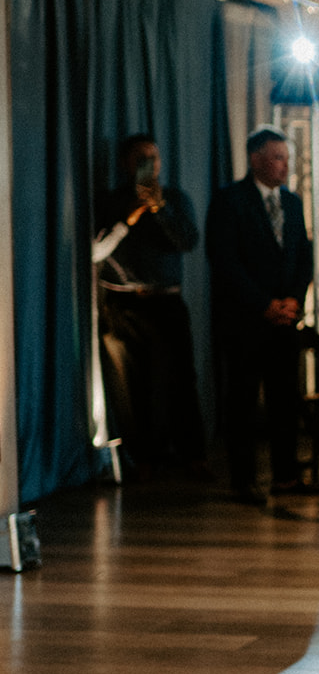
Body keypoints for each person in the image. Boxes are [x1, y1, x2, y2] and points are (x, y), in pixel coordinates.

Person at [205, 126, 314, 504]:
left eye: (286, 157)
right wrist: (264, 304)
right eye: (277, 157)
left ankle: (286, 477)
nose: (285, 165)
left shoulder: (294, 203)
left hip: (285, 321)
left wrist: (294, 301)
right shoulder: (229, 201)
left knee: (286, 400)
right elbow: (225, 262)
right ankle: (243, 480)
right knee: (244, 403)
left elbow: (304, 257)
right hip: (245, 322)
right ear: (255, 159)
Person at [91, 134, 208, 481]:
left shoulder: (174, 199)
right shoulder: (113, 201)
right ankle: (143, 458)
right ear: (127, 164)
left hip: (166, 301)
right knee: (131, 387)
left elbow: (188, 241)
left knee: (181, 381)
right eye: (141, 159)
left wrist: (160, 209)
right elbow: (97, 251)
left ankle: (193, 456)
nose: (150, 165)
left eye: (154, 158)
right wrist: (131, 217)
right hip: (123, 303)